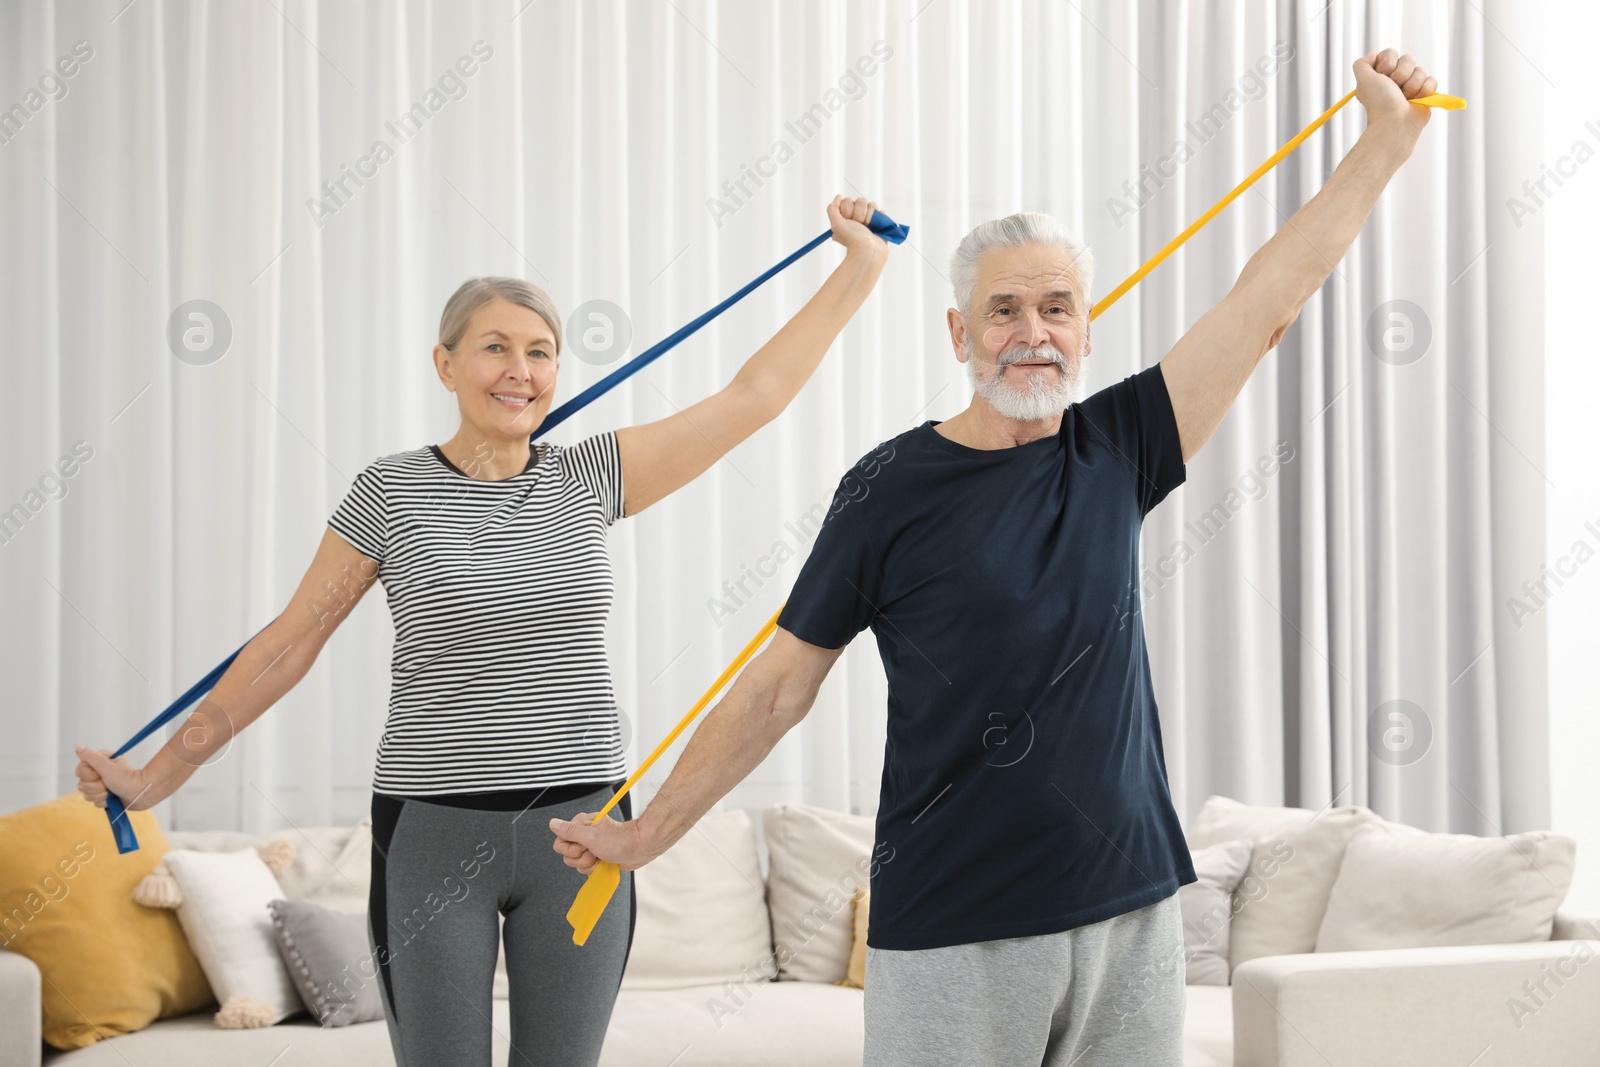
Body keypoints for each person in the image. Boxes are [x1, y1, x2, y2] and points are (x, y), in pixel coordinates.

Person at [550, 49, 1440, 1066]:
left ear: (1085, 330)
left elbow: (1266, 302)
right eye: (1004, 310)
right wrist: (649, 833)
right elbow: (774, 694)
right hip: (951, 922)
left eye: (1055, 306)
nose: (1032, 332)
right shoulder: (888, 486)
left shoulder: (1118, 445)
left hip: (1131, 904)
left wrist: (1385, 139)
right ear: (958, 331)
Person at [72, 195, 892, 1066]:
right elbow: (288, 643)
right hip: (430, 831)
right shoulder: (390, 492)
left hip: (580, 831)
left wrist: (860, 267)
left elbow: (753, 397)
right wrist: (160, 773)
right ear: (446, 362)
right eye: (496, 346)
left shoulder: (591, 475)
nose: (521, 369)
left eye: (541, 351)